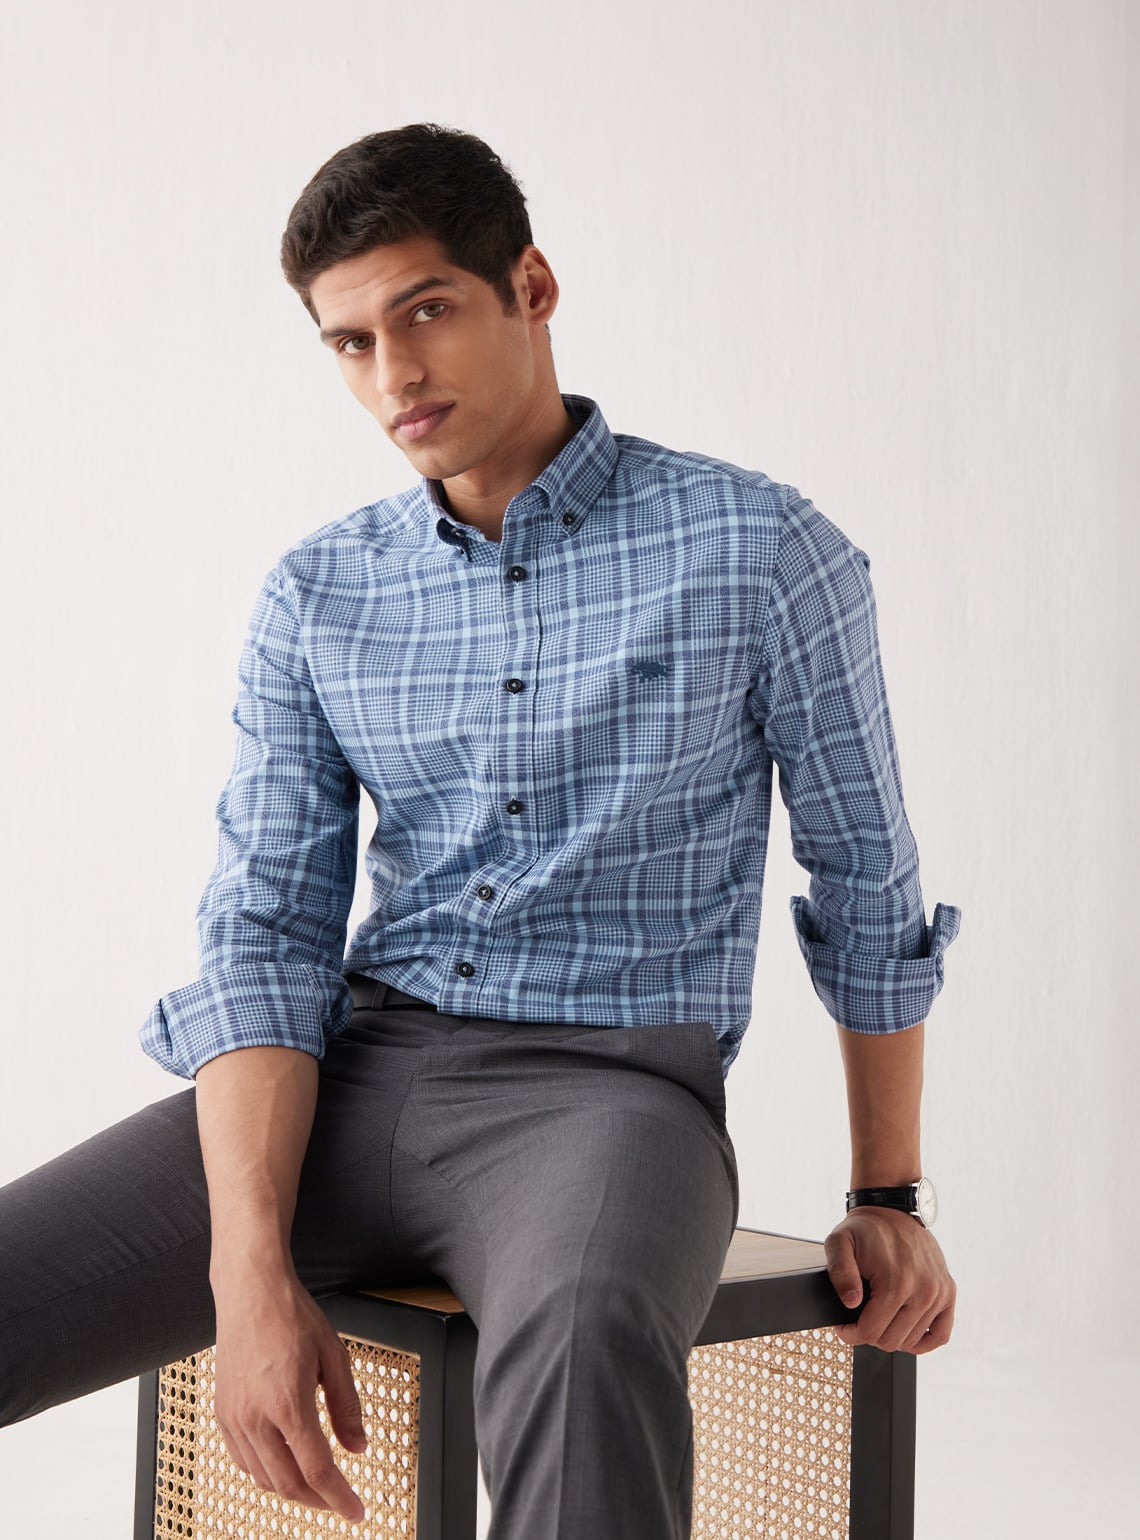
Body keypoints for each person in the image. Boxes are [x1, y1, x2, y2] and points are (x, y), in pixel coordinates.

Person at [0, 122, 961, 1539]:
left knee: (582, 1344)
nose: (393, 374)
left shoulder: (759, 550)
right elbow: (265, 933)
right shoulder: (321, 593)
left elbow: (866, 877)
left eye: (427, 311)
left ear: (533, 285)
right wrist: (245, 1270)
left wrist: (889, 1191)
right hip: (348, 1078)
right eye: (349, 342)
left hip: (609, 1101)